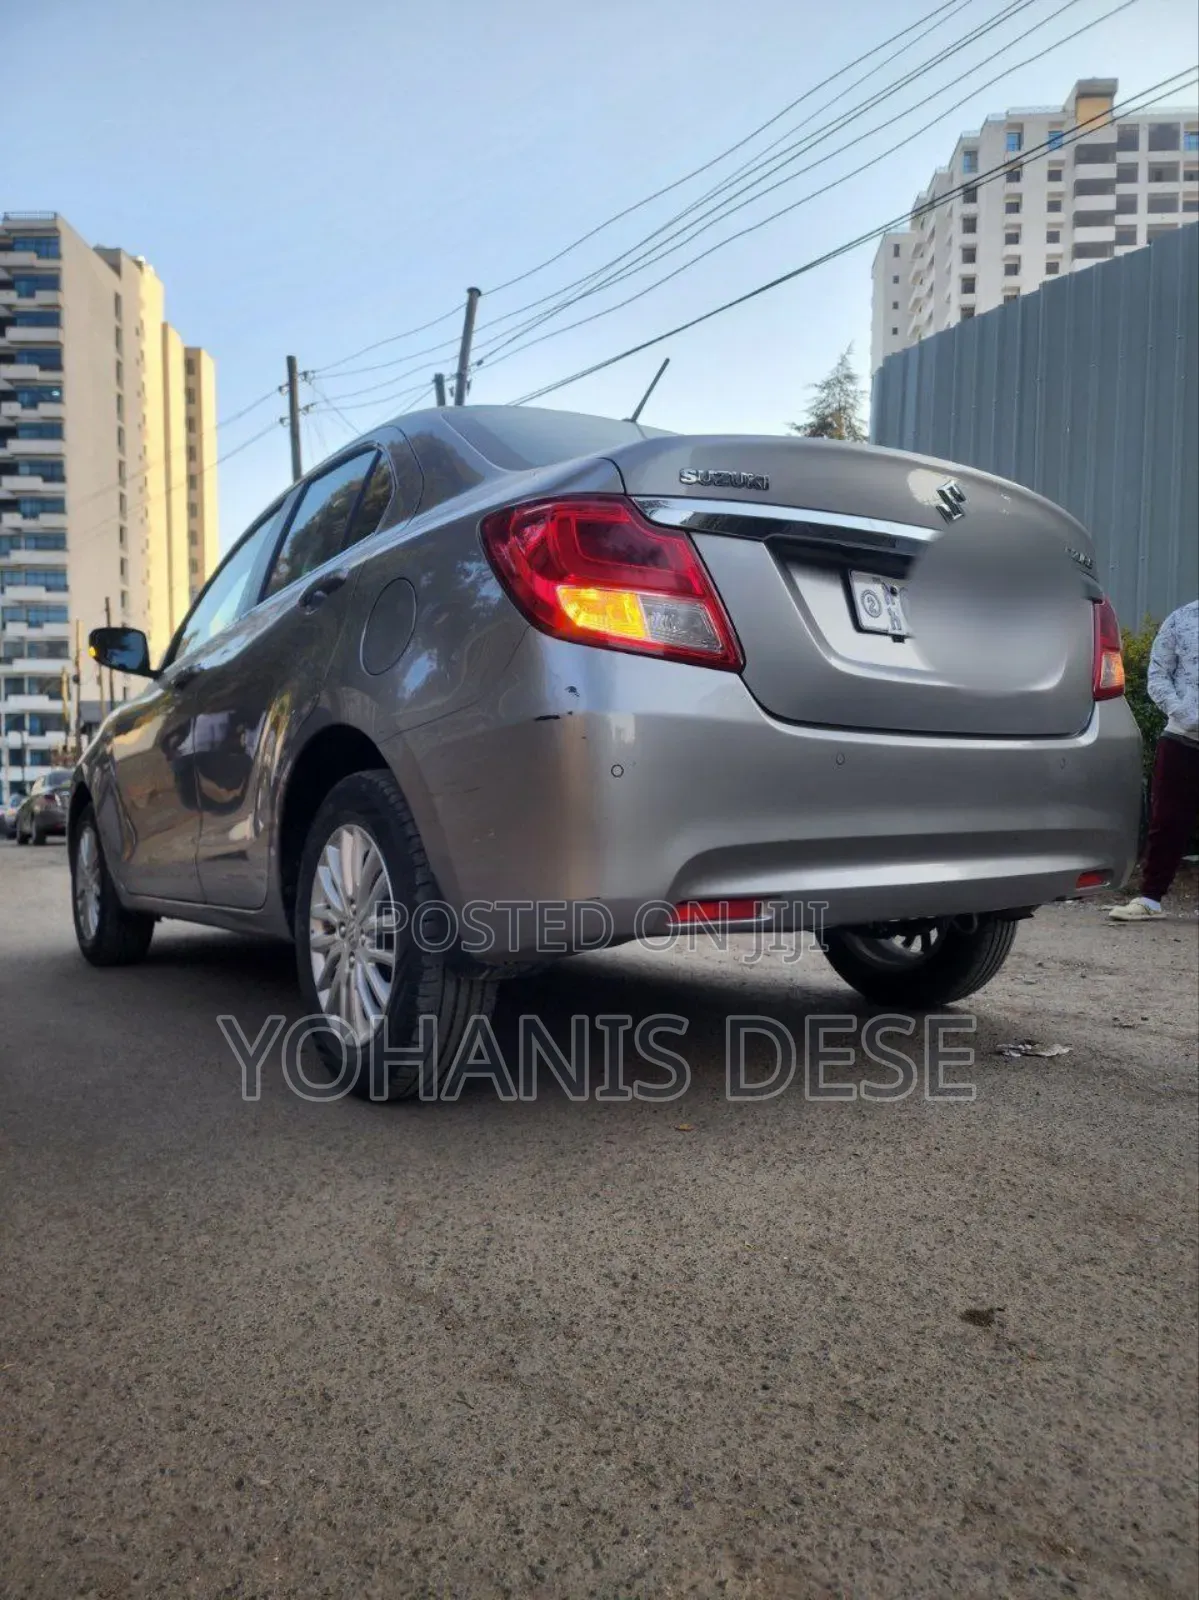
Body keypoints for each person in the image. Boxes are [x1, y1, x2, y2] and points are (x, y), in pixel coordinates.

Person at [1110, 599, 1198, 922]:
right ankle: (1150, 899)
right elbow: (1158, 676)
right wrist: (1184, 713)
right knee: (1167, 822)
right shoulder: (1182, 619)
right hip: (1181, 738)